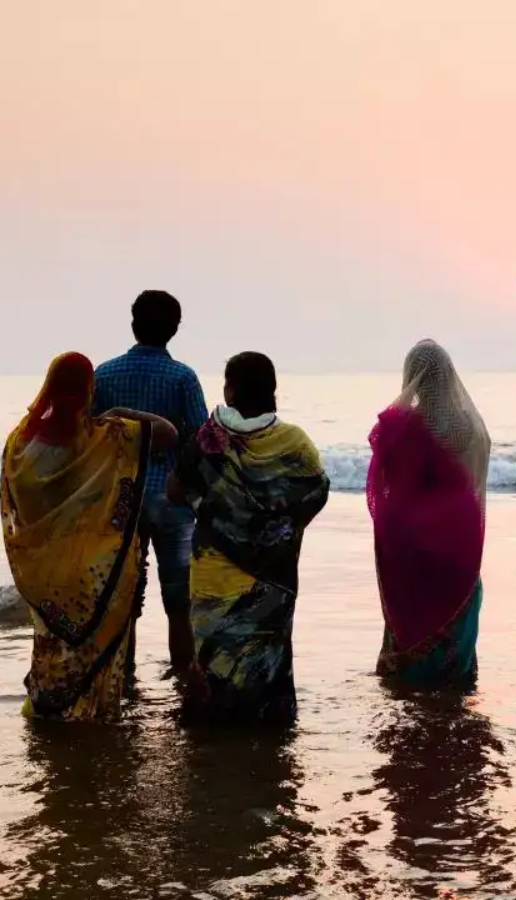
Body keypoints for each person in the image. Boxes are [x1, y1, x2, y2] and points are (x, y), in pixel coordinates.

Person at [2, 352, 176, 721]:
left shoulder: (21, 443)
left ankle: (49, 710)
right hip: (97, 572)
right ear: (88, 389)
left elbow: (14, 498)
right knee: (97, 652)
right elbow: (167, 432)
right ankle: (92, 719)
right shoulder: (105, 436)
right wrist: (122, 413)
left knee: (52, 645)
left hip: (49, 573)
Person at [168, 352, 329, 724]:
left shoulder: (209, 438)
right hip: (272, 575)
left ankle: (215, 725)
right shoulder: (294, 441)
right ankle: (266, 723)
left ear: (231, 389)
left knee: (214, 654)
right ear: (272, 389)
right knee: (266, 649)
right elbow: (316, 492)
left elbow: (176, 490)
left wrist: (220, 508)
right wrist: (277, 530)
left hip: (215, 573)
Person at [93, 290, 209, 673]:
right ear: (175, 329)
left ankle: (123, 680)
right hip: (172, 500)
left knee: (124, 598)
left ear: (133, 325)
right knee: (179, 603)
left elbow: (91, 439)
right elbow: (200, 441)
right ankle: (183, 679)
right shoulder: (183, 377)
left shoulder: (104, 374)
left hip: (121, 500)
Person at [371, 339, 491, 688]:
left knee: (414, 628)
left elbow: (394, 493)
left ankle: (416, 697)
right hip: (462, 548)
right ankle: (454, 692)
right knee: (455, 634)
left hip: (416, 554)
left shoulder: (406, 428)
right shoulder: (472, 425)